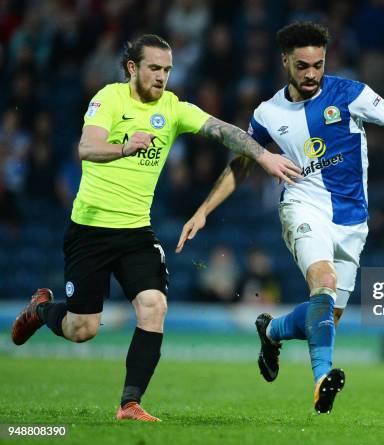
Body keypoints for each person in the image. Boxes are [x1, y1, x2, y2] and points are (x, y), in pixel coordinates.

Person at [11, 34, 301, 422]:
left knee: (154, 305)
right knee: (82, 329)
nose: (162, 76)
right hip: (91, 229)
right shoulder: (109, 99)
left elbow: (223, 130)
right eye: (154, 68)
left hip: (135, 231)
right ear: (132, 68)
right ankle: (42, 308)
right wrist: (126, 146)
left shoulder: (173, 107)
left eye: (167, 69)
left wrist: (263, 155)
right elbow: (87, 147)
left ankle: (130, 403)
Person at [176, 22, 384, 414]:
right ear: (285, 61)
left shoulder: (352, 93)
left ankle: (271, 331)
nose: (311, 74)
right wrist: (203, 211)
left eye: (318, 65)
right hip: (303, 207)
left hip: (353, 220)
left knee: (327, 317)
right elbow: (242, 164)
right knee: (322, 283)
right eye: (303, 65)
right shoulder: (268, 113)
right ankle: (322, 380)